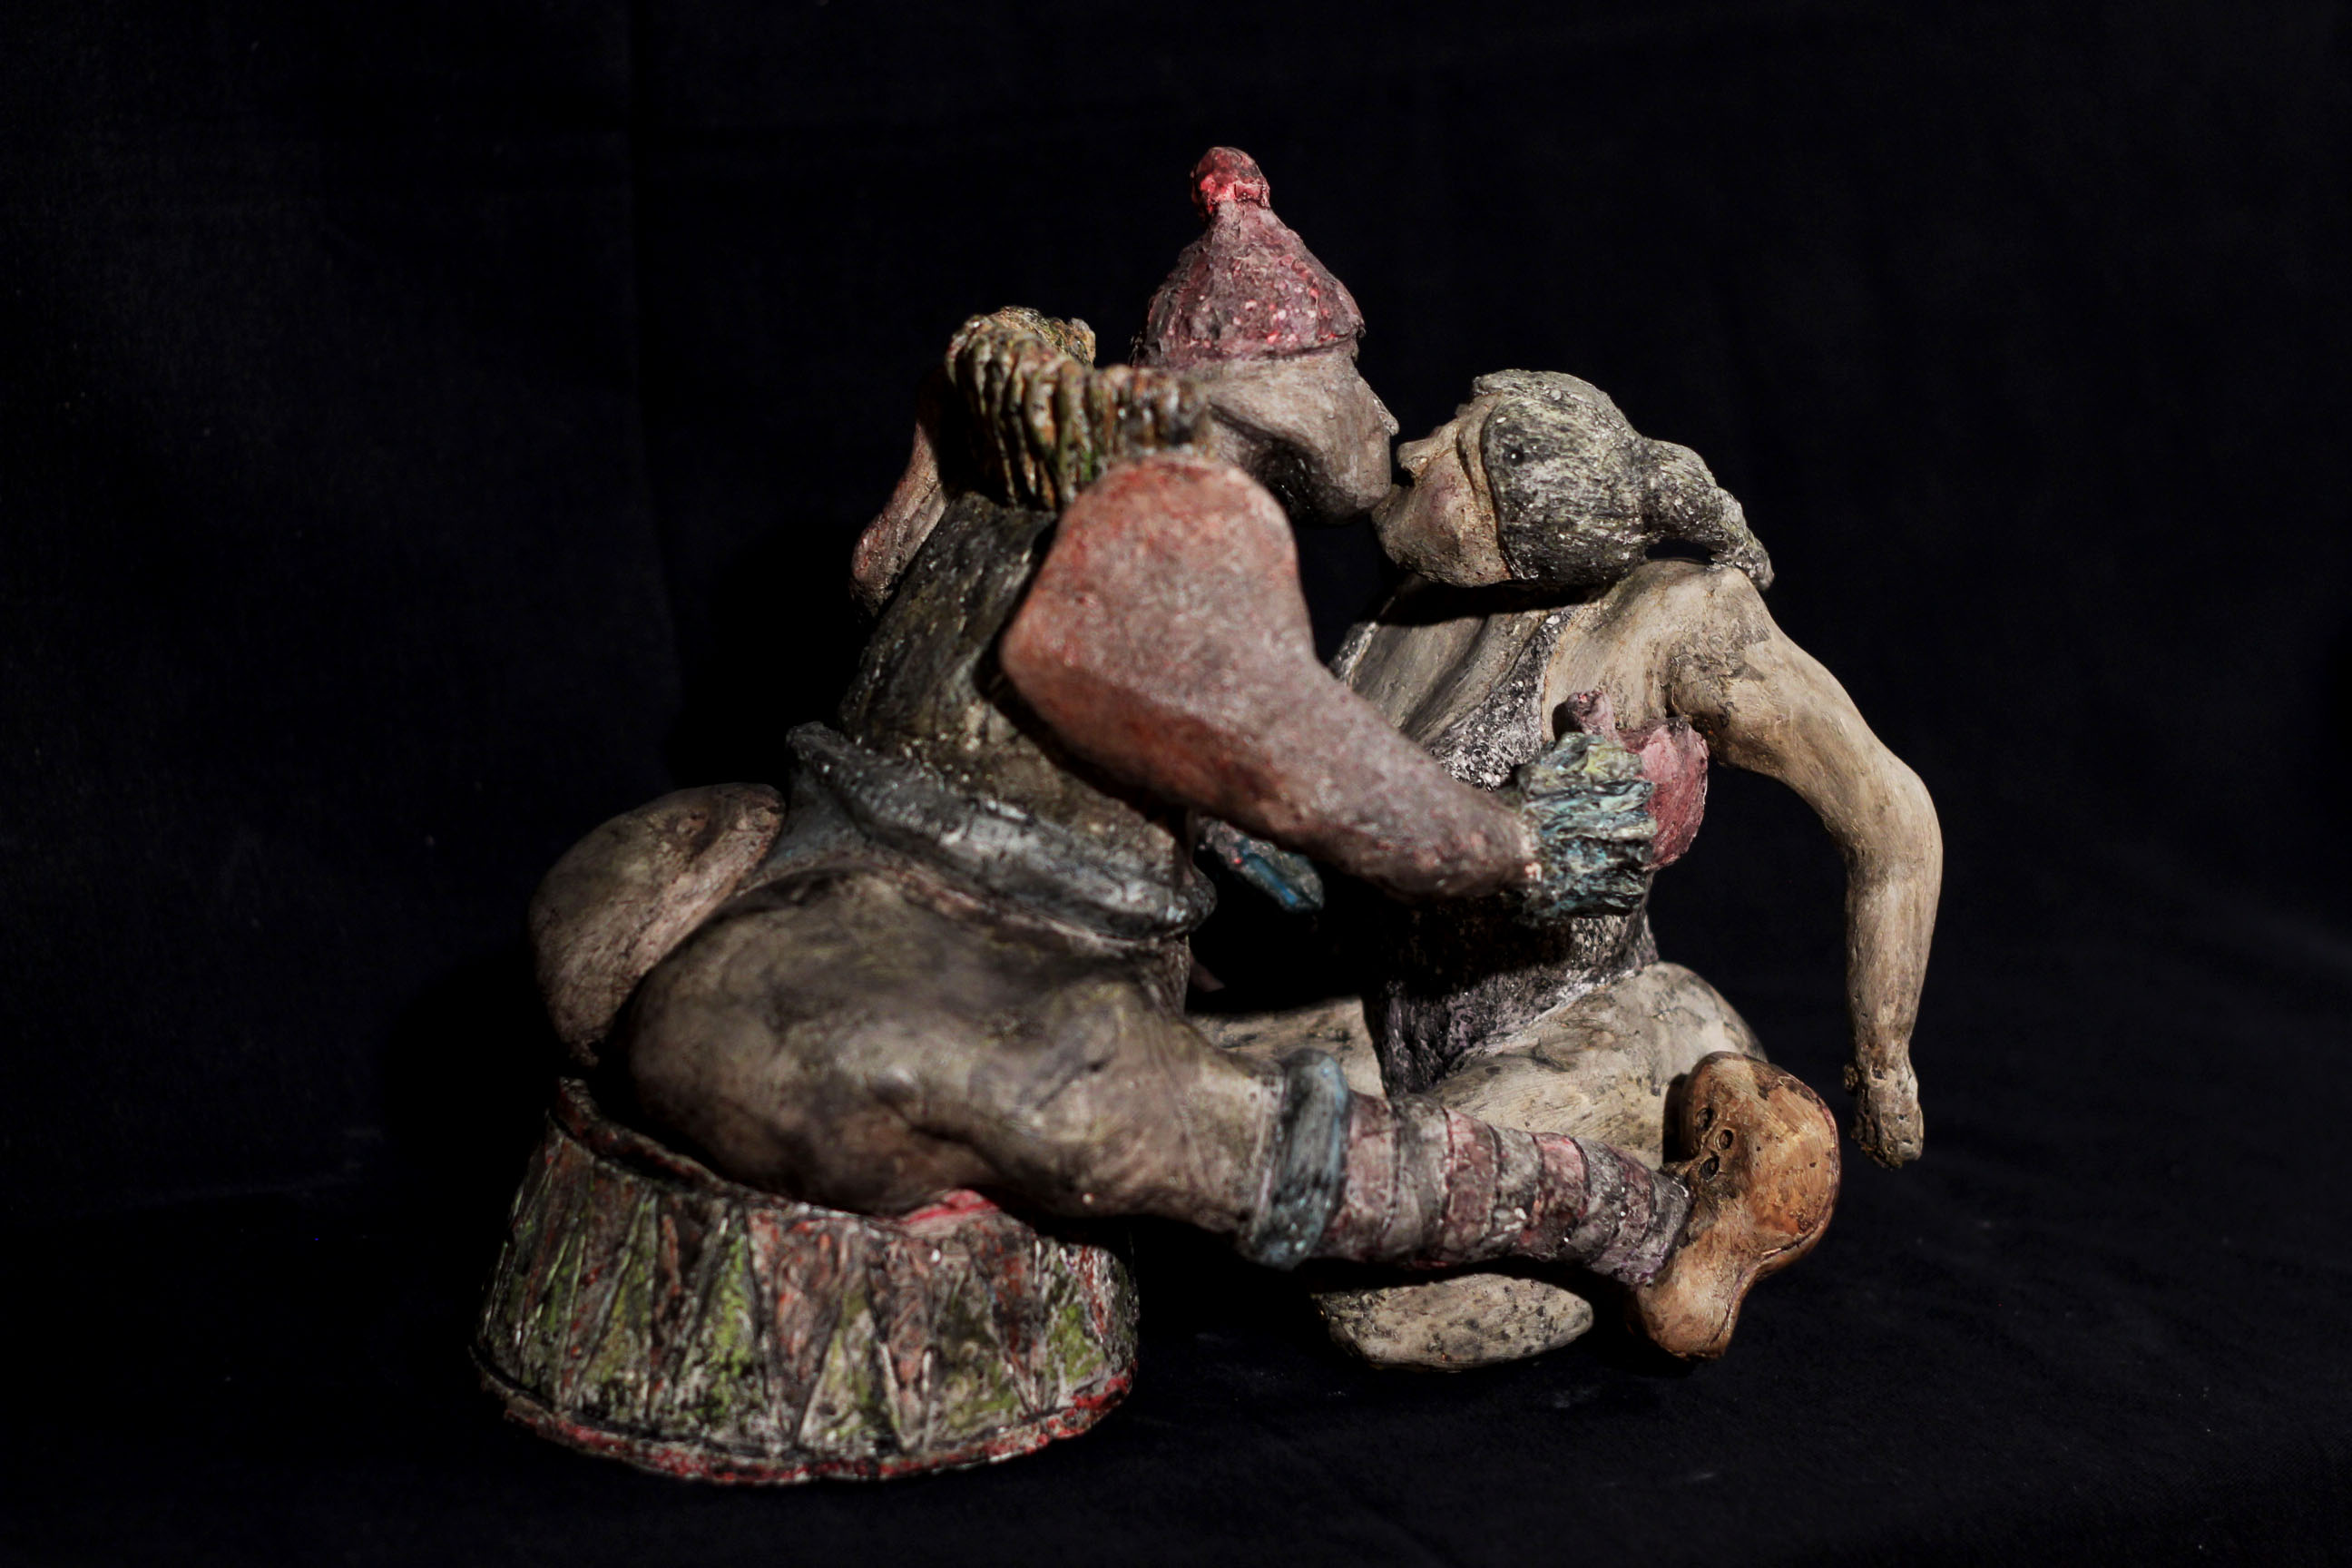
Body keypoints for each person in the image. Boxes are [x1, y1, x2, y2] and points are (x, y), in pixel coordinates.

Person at [542, 153, 1844, 1366]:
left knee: (1135, 1094)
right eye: (1348, 373)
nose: (1385, 421)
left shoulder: (1057, 460)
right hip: (922, 936)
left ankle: (1662, 1221)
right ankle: (1643, 1220)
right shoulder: (1175, 519)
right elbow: (1310, 778)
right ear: (1280, 402)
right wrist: (1528, 840)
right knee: (1147, 1111)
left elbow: (919, 596)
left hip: (922, 936)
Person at [1212, 368, 1940, 1367]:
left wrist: (1884, 1063)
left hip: (1579, 1029)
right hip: (1398, 1016)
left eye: (1462, 460)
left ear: (1525, 527)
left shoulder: (1664, 626)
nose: (1413, 454)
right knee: (1180, 1114)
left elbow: (1889, 814)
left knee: (1374, 1303)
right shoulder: (1410, 608)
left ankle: (1679, 1212)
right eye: (1446, 430)